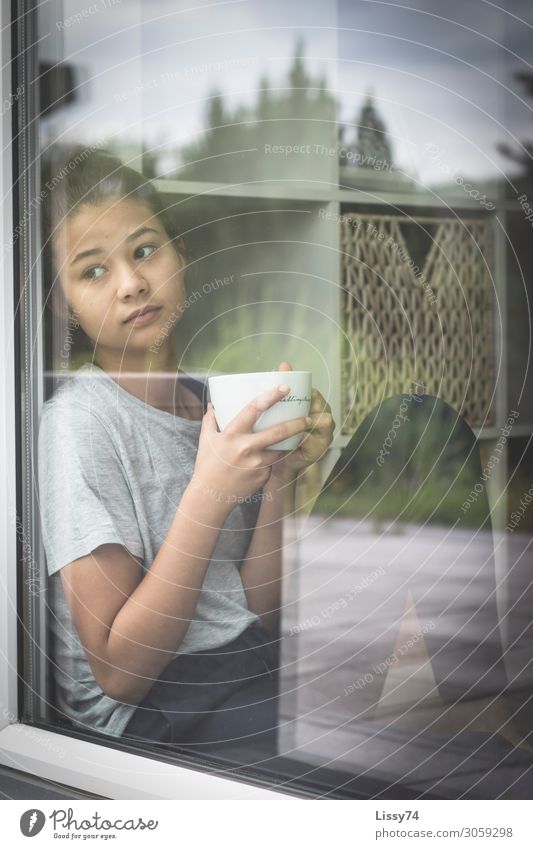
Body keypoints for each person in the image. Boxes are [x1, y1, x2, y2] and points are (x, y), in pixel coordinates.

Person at [38, 144, 334, 759]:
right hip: (153, 716)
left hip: (247, 668)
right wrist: (211, 491)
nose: (132, 283)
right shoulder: (79, 426)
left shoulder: (209, 401)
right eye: (93, 270)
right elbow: (121, 672)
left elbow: (258, 609)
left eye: (146, 250)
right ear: (63, 303)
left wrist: (278, 470)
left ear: (182, 254)